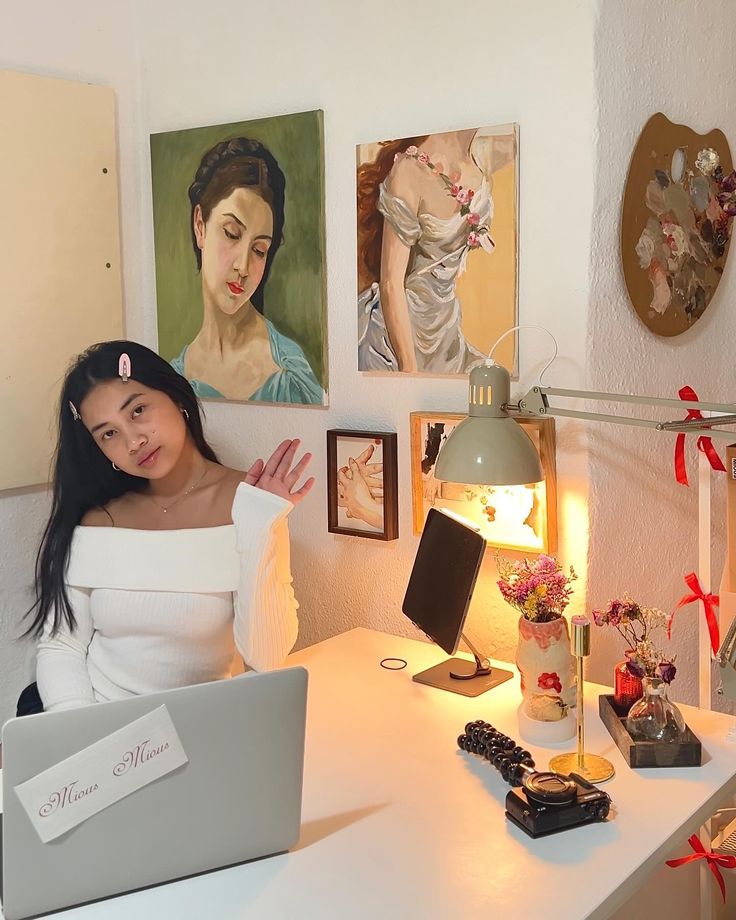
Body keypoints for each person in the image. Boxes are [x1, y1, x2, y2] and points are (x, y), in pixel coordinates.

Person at [20, 340, 314, 715]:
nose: (134, 440)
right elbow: (62, 646)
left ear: (176, 396)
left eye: (138, 410)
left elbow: (267, 657)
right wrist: (83, 734)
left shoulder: (252, 502)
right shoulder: (100, 520)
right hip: (100, 726)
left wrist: (262, 525)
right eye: (108, 433)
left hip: (202, 731)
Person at [170, 137, 324, 404]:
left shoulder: (289, 374)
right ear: (200, 226)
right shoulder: (172, 379)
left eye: (259, 250)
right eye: (231, 234)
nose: (243, 266)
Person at [357, 129, 515, 374]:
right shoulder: (410, 171)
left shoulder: (478, 163)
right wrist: (408, 366)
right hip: (401, 333)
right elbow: (391, 283)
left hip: (447, 329)